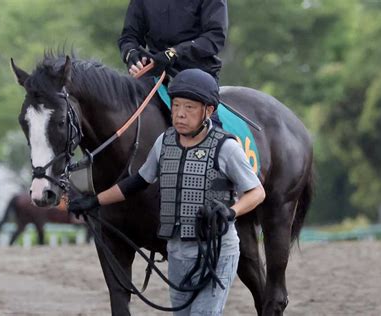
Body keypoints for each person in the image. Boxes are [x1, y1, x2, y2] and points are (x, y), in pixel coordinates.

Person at [69, 69, 265, 315]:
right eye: (176, 106)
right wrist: (94, 201)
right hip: (177, 251)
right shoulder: (164, 142)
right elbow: (137, 181)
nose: (180, 114)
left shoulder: (227, 147)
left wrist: (230, 212)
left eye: (190, 108)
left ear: (209, 111)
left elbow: (257, 192)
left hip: (215, 250)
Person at [118, 0, 228, 80]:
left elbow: (215, 36)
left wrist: (174, 52)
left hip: (197, 74)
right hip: (154, 70)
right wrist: (131, 54)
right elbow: (129, 36)